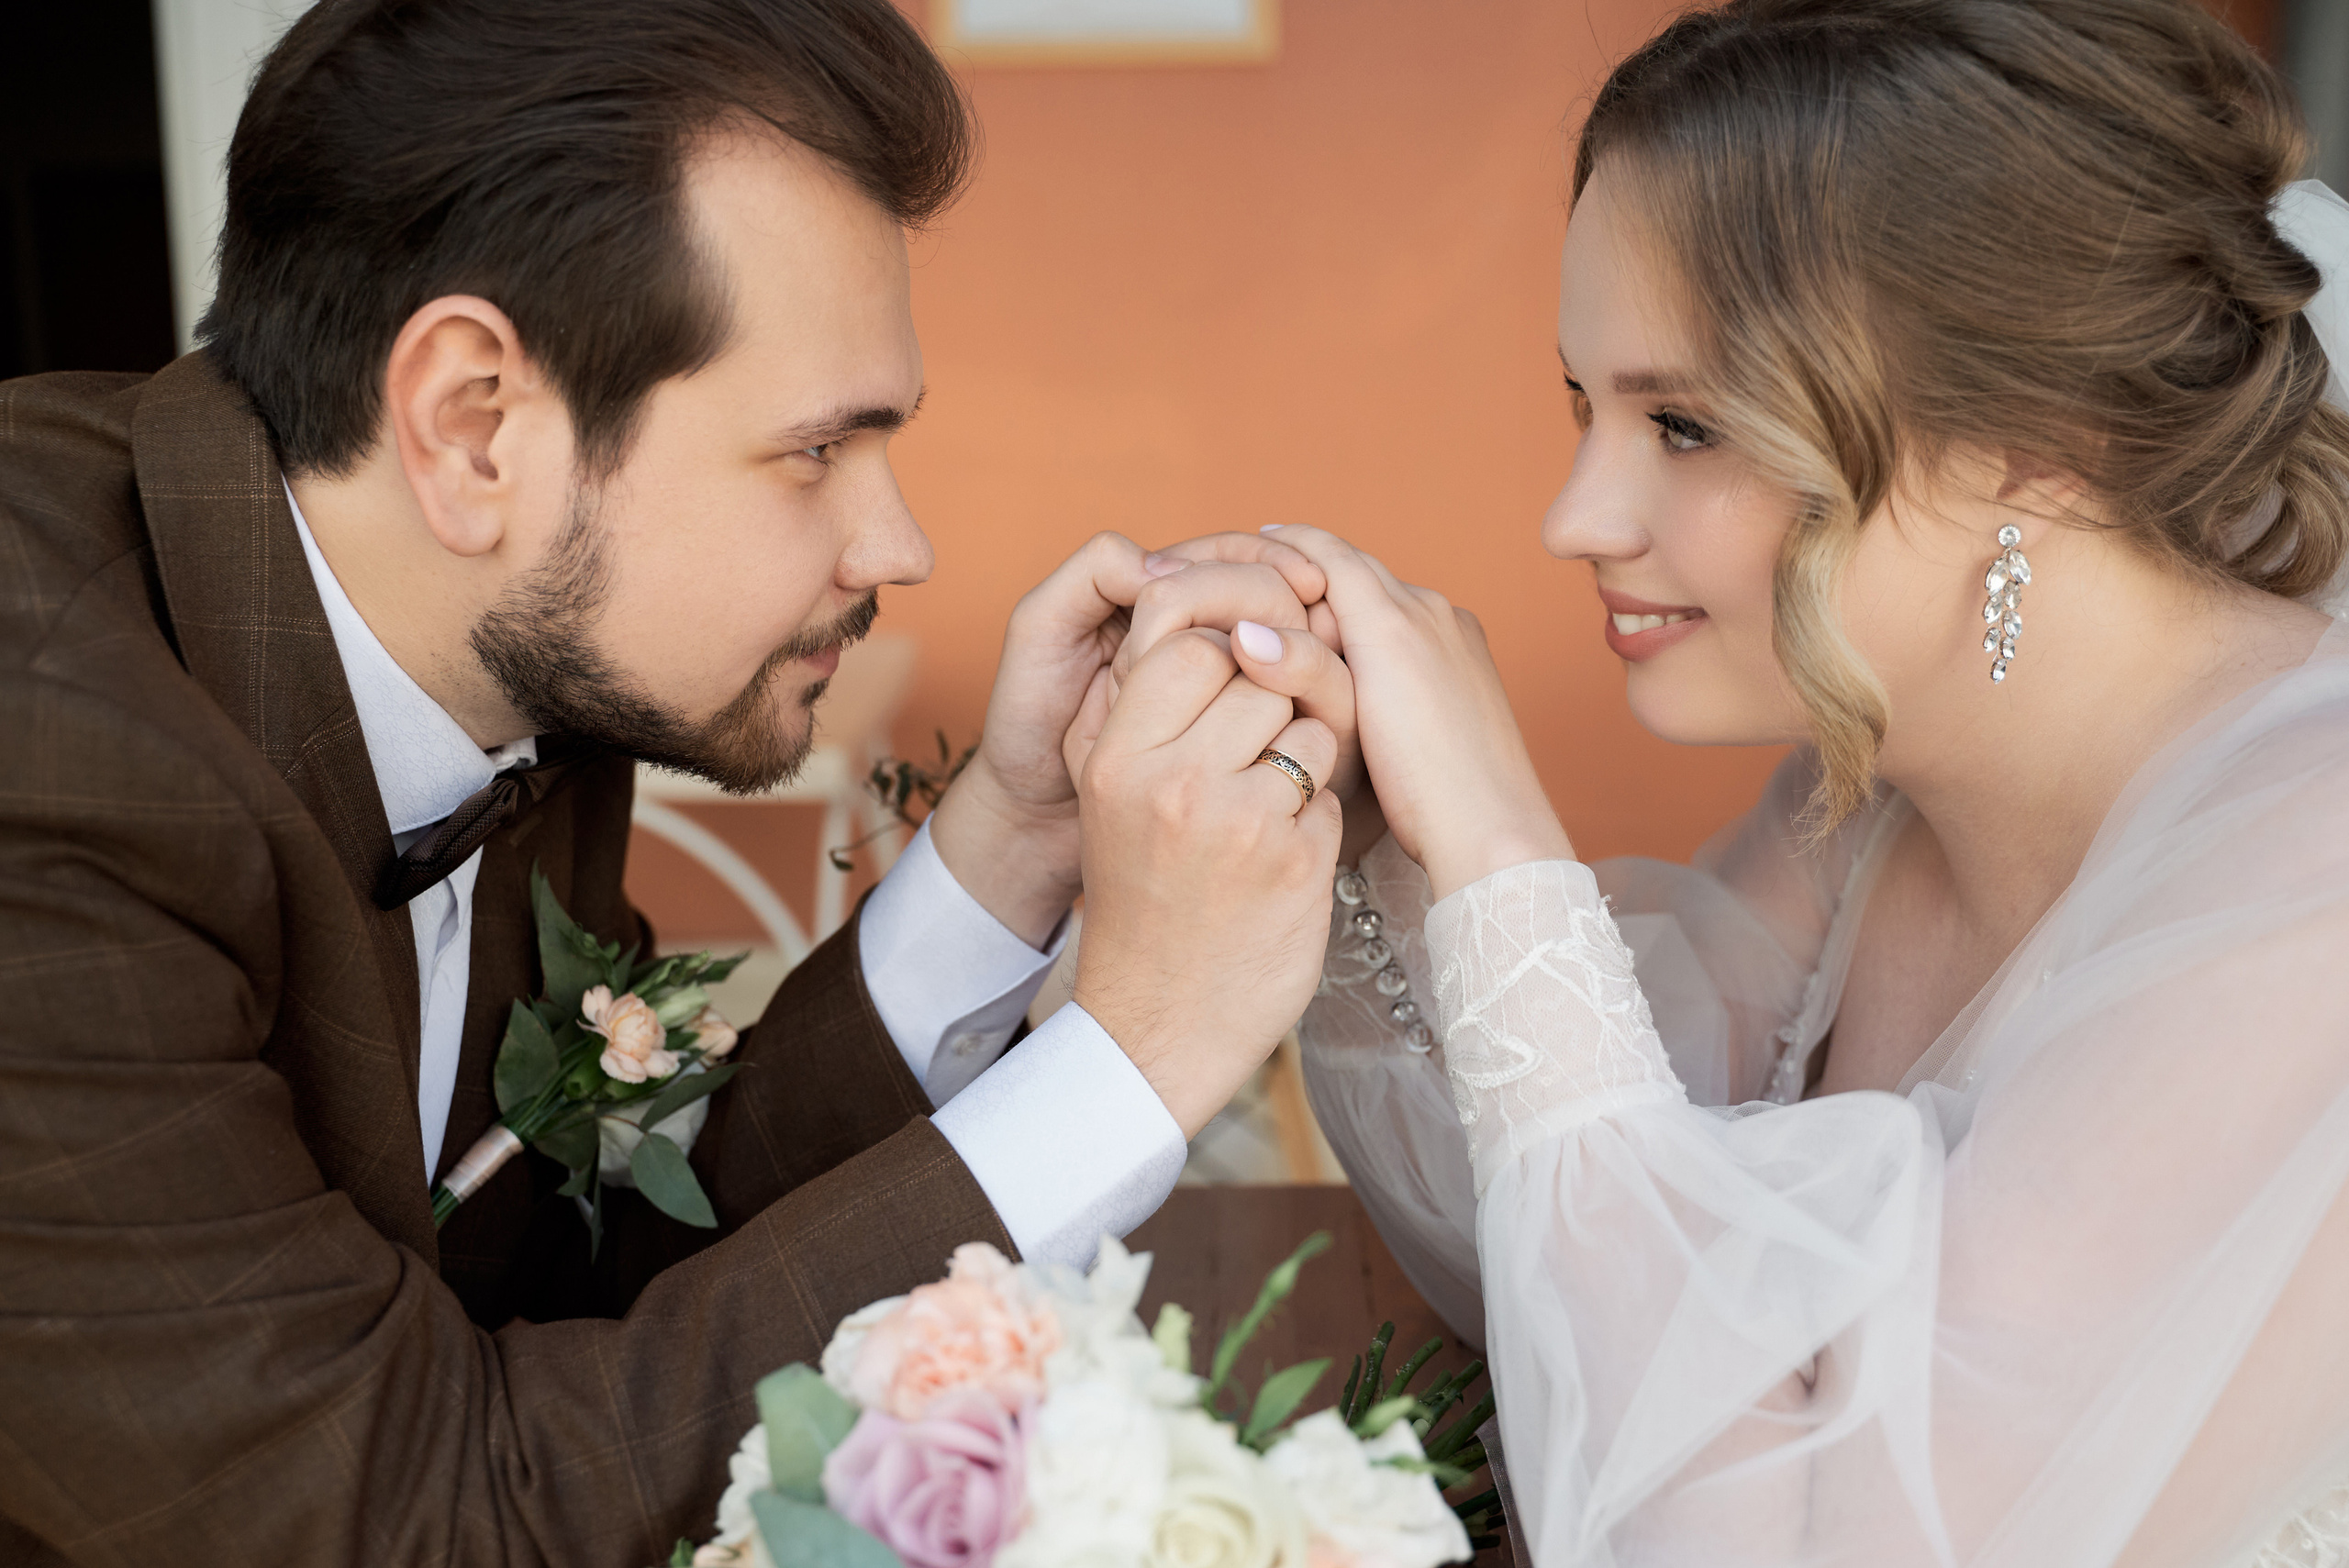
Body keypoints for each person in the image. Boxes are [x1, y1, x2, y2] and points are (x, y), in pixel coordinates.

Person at [0, 1, 1345, 1563]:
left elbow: (632, 1257)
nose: (897, 545)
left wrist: (1013, 838)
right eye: (816, 451)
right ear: (473, 426)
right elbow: (422, 1517)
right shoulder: (50, 783)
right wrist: (1142, 1051)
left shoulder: (507, 634)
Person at [1201, 0, 2349, 1561]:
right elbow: (1563, 1249)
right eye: (1585, 407)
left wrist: (1502, 847)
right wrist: (1390, 833)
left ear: (2036, 441)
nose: (1577, 517)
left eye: (1685, 424)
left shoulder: (2311, 870)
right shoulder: (1875, 789)